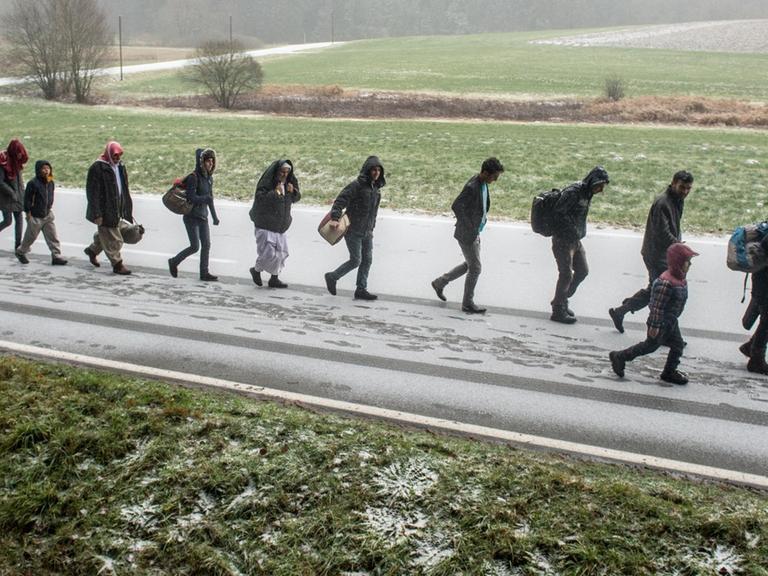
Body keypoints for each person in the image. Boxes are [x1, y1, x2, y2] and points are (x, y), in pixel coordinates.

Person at [609, 171, 694, 333]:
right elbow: (663, 233)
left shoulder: (676, 200)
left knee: (655, 289)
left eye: (688, 188)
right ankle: (664, 334)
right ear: (673, 183)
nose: (685, 192)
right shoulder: (663, 203)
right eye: (682, 187)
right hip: (657, 255)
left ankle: (620, 311)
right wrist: (680, 248)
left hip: (666, 254)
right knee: (665, 294)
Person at [609, 243, 698, 385]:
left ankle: (669, 371)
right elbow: (656, 306)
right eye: (688, 261)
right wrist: (655, 326)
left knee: (677, 345)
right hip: (661, 322)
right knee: (649, 346)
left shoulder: (680, 279)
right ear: (678, 262)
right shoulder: (666, 282)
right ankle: (620, 357)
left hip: (671, 321)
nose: (690, 265)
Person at [431, 157, 504, 314]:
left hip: (474, 231)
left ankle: (440, 282)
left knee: (470, 264)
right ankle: (467, 303)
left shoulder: (483, 184)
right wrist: (470, 225)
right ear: (485, 172)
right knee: (475, 268)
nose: (496, 180)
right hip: (467, 233)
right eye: (494, 176)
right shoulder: (472, 187)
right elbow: (456, 205)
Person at [549, 166, 610, 324]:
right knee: (566, 274)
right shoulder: (573, 192)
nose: (601, 189)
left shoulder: (587, 192)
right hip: (563, 240)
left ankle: (560, 301)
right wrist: (572, 230)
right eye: (600, 185)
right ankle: (558, 310)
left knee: (582, 271)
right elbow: (558, 213)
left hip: (574, 240)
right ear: (593, 181)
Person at [324, 156, 385, 301]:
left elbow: (374, 212)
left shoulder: (376, 190)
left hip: (367, 231)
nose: (376, 173)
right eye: (373, 170)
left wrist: (372, 227)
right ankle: (332, 276)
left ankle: (361, 289)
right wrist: (334, 218)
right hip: (353, 230)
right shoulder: (356, 185)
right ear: (367, 170)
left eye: (378, 170)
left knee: (367, 260)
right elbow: (340, 200)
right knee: (356, 260)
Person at [83, 141, 135, 275]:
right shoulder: (98, 168)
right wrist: (97, 213)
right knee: (115, 239)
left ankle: (93, 250)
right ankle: (117, 264)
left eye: (119, 156)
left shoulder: (120, 166)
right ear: (109, 154)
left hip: (117, 206)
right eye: (115, 156)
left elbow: (123, 187)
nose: (117, 159)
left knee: (108, 233)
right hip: (104, 208)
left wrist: (126, 206)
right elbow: (92, 192)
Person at [168, 148, 220, 281]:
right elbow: (191, 198)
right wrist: (205, 199)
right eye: (208, 161)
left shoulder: (209, 178)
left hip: (203, 216)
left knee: (207, 245)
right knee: (195, 246)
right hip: (191, 217)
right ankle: (174, 261)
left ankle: (204, 273)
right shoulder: (193, 177)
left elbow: (210, 199)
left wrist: (214, 217)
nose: (210, 164)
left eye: (212, 161)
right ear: (201, 162)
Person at [248, 159, 300, 288]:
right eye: (282, 172)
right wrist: (275, 192)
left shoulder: (289, 182)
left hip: (280, 225)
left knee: (281, 253)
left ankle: (274, 278)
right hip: (265, 224)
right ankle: (256, 270)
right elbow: (260, 199)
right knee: (268, 253)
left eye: (287, 172)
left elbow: (296, 198)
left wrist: (293, 191)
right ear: (277, 171)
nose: (284, 175)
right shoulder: (267, 182)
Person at [15, 160, 67, 265]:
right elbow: (27, 199)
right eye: (43, 169)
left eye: (48, 168)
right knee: (30, 237)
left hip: (47, 214)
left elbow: (51, 195)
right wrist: (28, 213)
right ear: (38, 170)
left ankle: (56, 255)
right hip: (35, 216)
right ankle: (21, 252)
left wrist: (50, 206)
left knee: (53, 236)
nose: (46, 171)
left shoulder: (50, 182)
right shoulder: (33, 183)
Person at [738, 237, 768, 375]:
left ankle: (751, 346)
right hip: (764, 282)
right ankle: (756, 358)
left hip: (762, 280)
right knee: (766, 321)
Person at [0, 139, 29, 253]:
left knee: (19, 219)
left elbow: (19, 180)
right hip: (5, 196)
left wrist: (23, 194)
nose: (19, 155)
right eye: (18, 152)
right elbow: (0, 182)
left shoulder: (17, 162)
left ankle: (18, 245)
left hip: (18, 194)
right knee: (7, 221)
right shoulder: (3, 162)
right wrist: (11, 193)